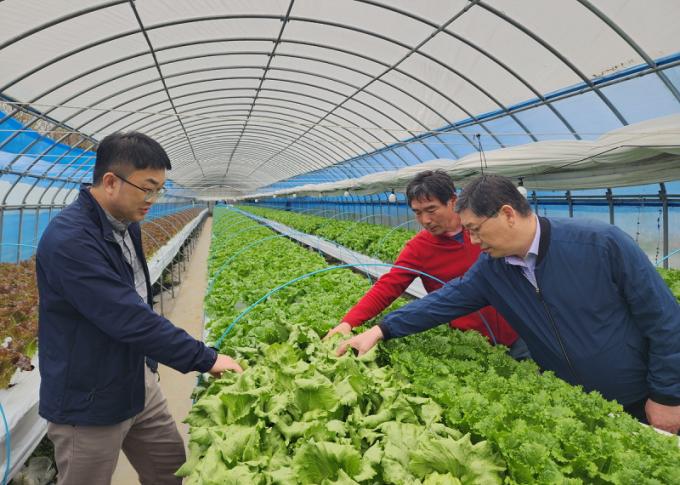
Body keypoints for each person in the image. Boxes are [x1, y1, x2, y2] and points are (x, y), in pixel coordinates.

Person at [337, 174, 680, 434]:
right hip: (576, 401)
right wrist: (382, 330)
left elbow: (664, 320)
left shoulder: (600, 244)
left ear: (507, 214)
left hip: (641, 395)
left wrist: (667, 395)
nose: (472, 241)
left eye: (475, 229)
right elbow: (443, 301)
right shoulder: (493, 268)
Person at [36, 132, 242, 485]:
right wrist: (205, 358)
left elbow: (136, 300)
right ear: (110, 182)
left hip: (136, 379)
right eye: (147, 189)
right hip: (89, 397)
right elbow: (127, 317)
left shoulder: (126, 224)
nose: (153, 199)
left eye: (159, 190)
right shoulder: (71, 241)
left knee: (170, 468)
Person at [326, 170, 526, 358]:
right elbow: (388, 286)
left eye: (431, 210)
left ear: (453, 201)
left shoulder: (485, 232)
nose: (425, 220)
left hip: (520, 330)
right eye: (417, 212)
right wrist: (349, 322)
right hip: (471, 343)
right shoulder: (419, 248)